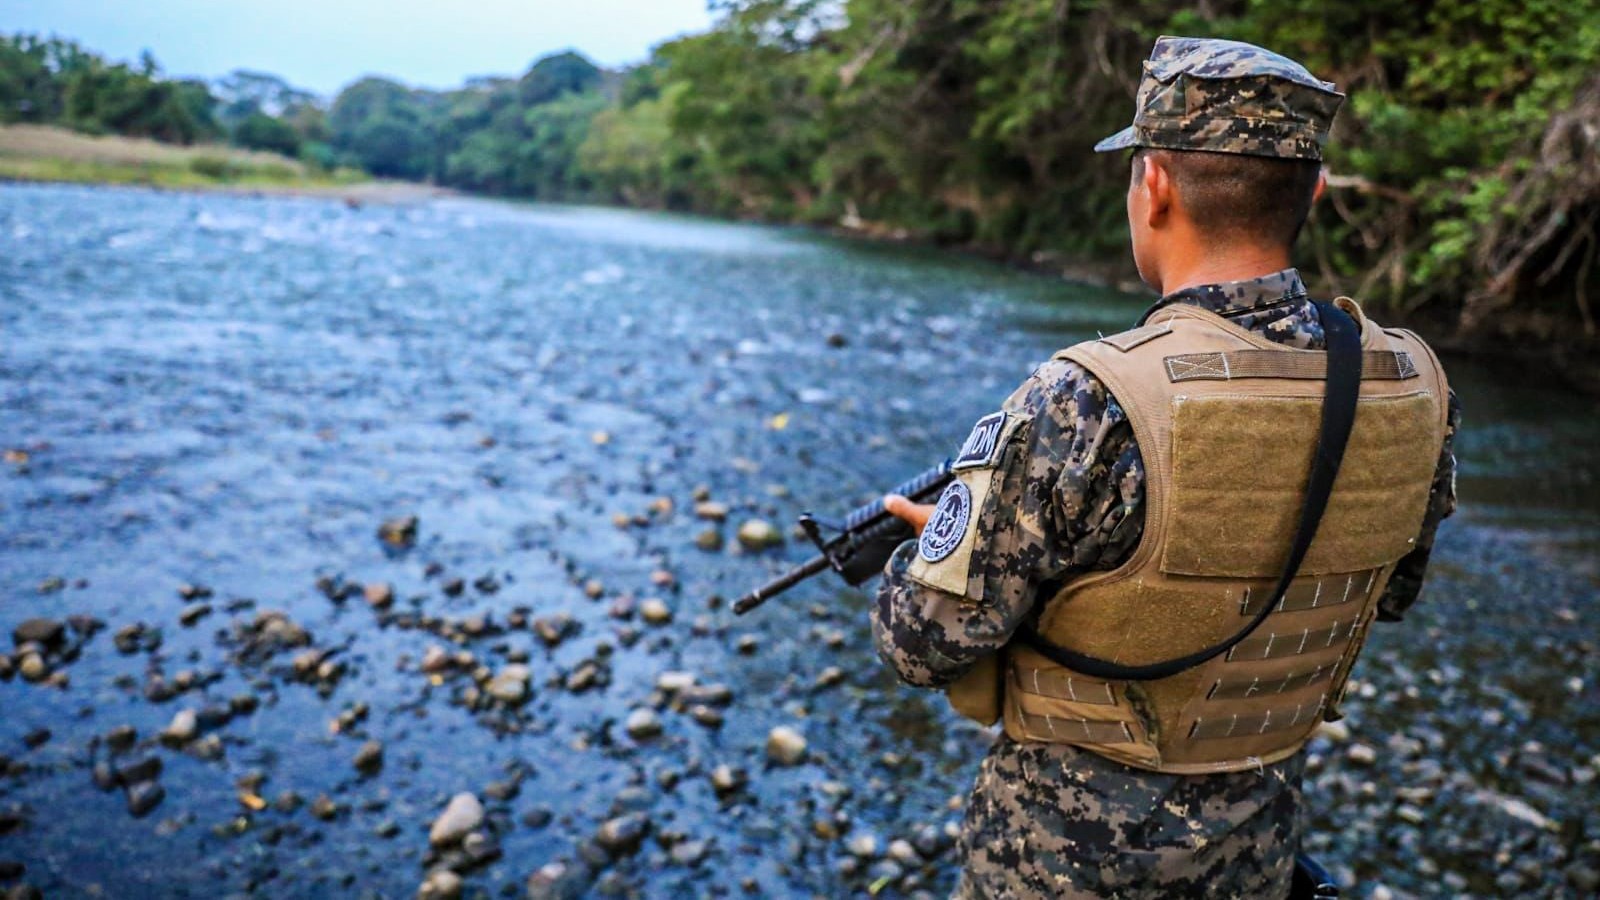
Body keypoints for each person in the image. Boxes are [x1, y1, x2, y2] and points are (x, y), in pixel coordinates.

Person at [873, 35, 1460, 899]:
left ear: (1153, 187)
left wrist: (943, 551)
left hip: (1058, 867)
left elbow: (921, 644)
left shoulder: (1085, 395)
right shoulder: (1410, 382)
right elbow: (1390, 592)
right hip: (1255, 855)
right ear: (1315, 190)